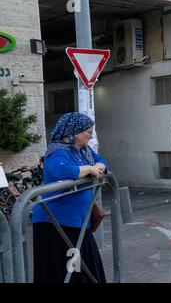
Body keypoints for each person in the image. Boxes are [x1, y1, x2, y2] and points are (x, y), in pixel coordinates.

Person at [32, 112, 108, 283]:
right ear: (75, 132)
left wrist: (98, 166)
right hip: (56, 224)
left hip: (78, 223)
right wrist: (89, 169)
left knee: (83, 270)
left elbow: (102, 161)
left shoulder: (83, 150)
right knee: (68, 270)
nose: (91, 135)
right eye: (88, 132)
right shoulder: (57, 151)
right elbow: (62, 170)